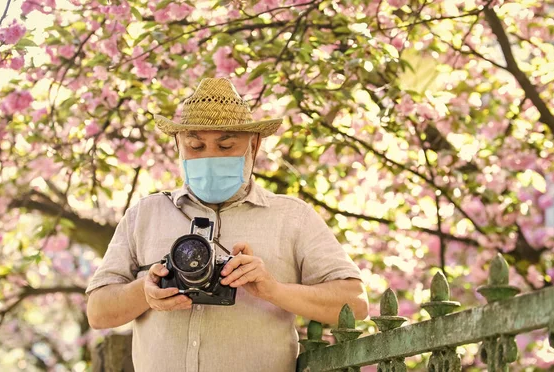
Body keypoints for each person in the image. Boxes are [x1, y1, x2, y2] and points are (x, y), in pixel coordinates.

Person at [86, 77, 368, 372]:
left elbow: (356, 303)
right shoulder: (145, 214)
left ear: (254, 145)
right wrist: (145, 290)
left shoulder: (293, 217)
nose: (209, 156)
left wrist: (272, 289)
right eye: (195, 145)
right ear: (178, 146)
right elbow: (98, 312)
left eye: (226, 145)